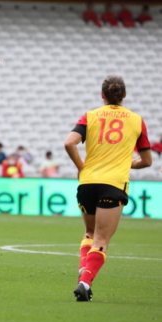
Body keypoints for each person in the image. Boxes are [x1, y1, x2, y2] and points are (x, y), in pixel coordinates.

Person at [64, 75, 151, 302]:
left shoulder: (90, 116)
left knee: (89, 234)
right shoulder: (136, 120)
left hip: (88, 182)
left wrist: (82, 167)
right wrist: (126, 162)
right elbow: (147, 161)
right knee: (101, 240)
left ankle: (85, 271)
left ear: (102, 95)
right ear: (124, 95)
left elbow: (68, 142)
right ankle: (85, 281)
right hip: (113, 183)